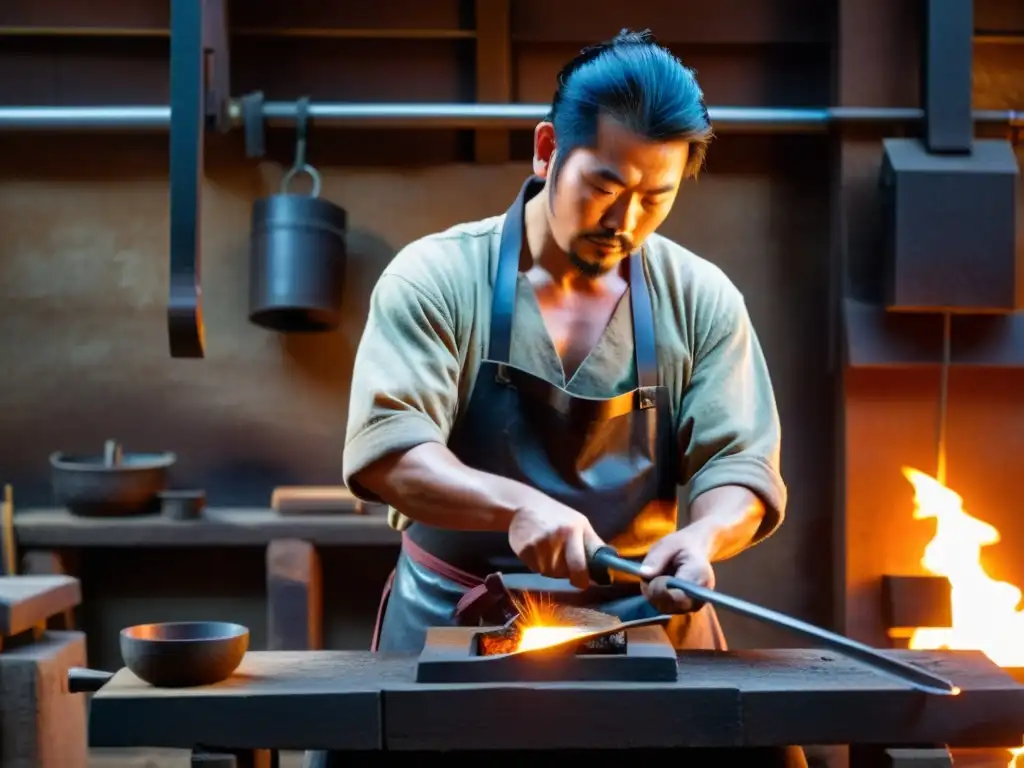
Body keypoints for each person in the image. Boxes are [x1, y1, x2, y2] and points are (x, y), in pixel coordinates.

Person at [309, 29, 806, 768]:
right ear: (546, 151)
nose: (625, 222)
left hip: (644, 626)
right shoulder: (437, 278)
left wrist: (702, 540)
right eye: (604, 188)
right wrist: (517, 507)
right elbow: (389, 451)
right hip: (458, 621)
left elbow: (739, 464)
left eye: (654, 198)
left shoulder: (701, 299)